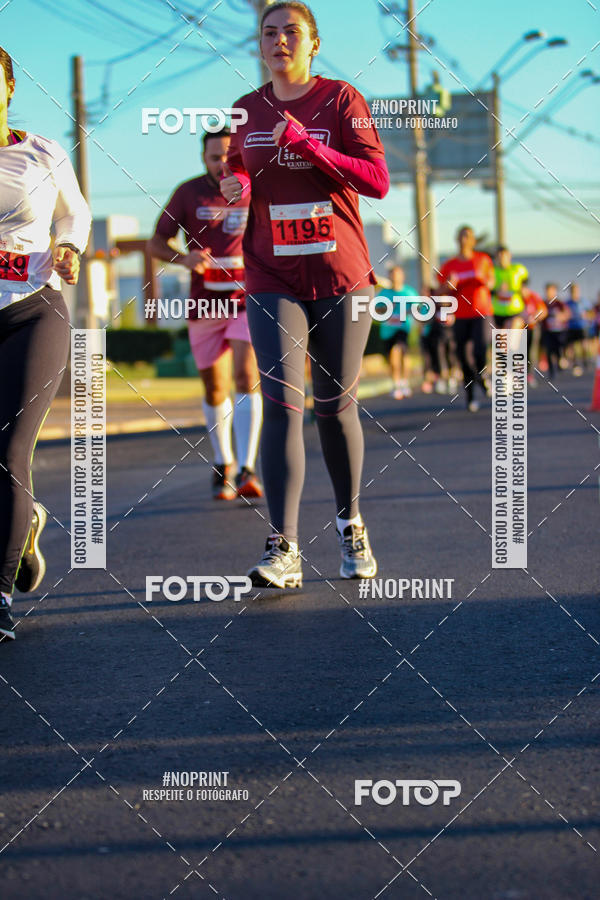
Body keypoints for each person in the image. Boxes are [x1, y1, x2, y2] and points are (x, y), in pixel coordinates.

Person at [220, 0, 389, 587]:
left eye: (292, 31)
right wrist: (236, 182)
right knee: (281, 403)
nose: (279, 40)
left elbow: (378, 180)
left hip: (340, 274)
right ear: (260, 45)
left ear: (313, 43)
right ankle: (283, 547)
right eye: (269, 33)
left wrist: (315, 147)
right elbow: (244, 168)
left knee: (333, 407)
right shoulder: (246, 109)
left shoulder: (341, 100)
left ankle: (350, 525)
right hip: (272, 274)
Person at [0, 46, 91, 640]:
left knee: (8, 450)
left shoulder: (41, 151)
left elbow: (75, 214)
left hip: (34, 312)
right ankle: (24, 519)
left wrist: (68, 247)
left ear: (7, 87)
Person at [150, 127, 263, 500]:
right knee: (215, 387)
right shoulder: (188, 192)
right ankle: (223, 462)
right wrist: (185, 259)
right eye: (214, 157)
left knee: (248, 375)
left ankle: (248, 467)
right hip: (205, 303)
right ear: (204, 159)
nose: (221, 164)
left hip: (249, 299)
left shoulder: (257, 187)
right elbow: (156, 243)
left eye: (228, 157)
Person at [438, 226, 494, 412]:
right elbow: (438, 292)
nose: (464, 239)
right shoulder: (449, 265)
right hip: (460, 314)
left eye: (468, 235)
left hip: (481, 311)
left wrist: (485, 281)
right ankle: (470, 396)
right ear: (457, 239)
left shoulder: (482, 260)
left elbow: (492, 282)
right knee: (462, 355)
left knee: (479, 349)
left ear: (473, 240)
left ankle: (482, 375)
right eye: (461, 235)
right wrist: (448, 286)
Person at [375, 264, 419, 399]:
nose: (395, 277)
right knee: (392, 360)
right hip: (387, 331)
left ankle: (404, 382)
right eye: (392, 274)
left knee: (399, 351)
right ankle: (396, 384)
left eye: (397, 274)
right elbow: (376, 309)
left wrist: (405, 312)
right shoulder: (384, 293)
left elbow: (419, 309)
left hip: (403, 328)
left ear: (402, 276)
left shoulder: (409, 292)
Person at [492, 246, 528, 328]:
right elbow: (487, 291)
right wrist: (496, 291)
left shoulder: (518, 269)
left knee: (513, 329)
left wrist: (523, 289)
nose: (501, 259)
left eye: (504, 256)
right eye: (499, 256)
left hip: (515, 310)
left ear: (509, 256)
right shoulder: (492, 271)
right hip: (497, 312)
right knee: (500, 339)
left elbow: (526, 283)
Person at [541, 282, 570, 379]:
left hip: (559, 331)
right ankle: (551, 372)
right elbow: (539, 315)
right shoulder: (543, 303)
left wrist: (561, 317)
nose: (549, 293)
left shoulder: (559, 303)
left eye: (551, 291)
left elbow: (567, 315)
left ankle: (560, 363)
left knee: (558, 350)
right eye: (547, 291)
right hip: (548, 331)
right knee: (549, 351)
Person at [521, 279, 547, 387]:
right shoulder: (515, 297)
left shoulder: (533, 296)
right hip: (519, 330)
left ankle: (530, 375)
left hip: (533, 328)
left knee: (531, 352)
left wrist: (534, 318)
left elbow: (543, 311)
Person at [565, 282, 588, 376]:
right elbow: (564, 314)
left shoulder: (583, 301)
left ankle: (585, 360)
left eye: (576, 291)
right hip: (571, 326)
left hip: (581, 326)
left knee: (584, 345)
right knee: (571, 347)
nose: (575, 293)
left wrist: (586, 315)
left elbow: (591, 313)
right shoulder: (567, 303)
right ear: (571, 292)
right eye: (573, 291)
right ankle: (575, 364)